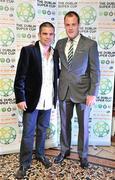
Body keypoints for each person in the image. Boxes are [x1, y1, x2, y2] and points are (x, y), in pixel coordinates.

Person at [54, 11, 100, 168]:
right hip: (64, 91)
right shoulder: (59, 44)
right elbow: (51, 61)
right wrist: (36, 48)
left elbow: (95, 71)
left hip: (83, 92)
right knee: (64, 125)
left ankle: (83, 155)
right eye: (67, 24)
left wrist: (92, 93)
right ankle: (64, 150)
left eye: (73, 24)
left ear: (78, 25)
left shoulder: (90, 44)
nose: (70, 27)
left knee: (83, 126)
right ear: (64, 25)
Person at [14, 22, 59, 179]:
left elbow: (56, 76)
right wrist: (20, 98)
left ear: (54, 35)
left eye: (51, 34)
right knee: (28, 133)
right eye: (45, 33)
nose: (48, 37)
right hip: (31, 101)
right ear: (39, 35)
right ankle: (24, 163)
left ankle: (40, 154)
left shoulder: (56, 53)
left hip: (47, 100)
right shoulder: (28, 51)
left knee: (42, 130)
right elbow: (20, 77)